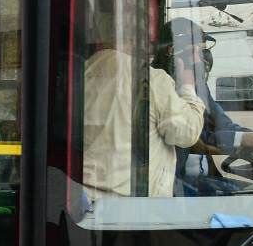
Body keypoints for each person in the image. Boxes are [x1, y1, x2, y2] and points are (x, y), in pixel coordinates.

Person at [163, 18, 253, 195]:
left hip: (204, 175)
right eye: (194, 51)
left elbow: (222, 124)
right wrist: (241, 139)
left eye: (203, 50)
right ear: (172, 53)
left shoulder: (199, 87)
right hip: (177, 182)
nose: (201, 59)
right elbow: (196, 139)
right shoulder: (161, 87)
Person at [81, 43, 205, 198]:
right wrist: (187, 86)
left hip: (86, 199)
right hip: (131, 205)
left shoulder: (82, 71)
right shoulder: (152, 79)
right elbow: (187, 133)